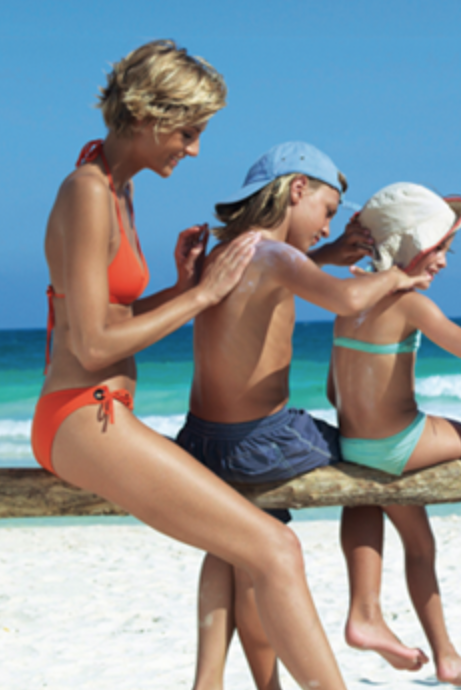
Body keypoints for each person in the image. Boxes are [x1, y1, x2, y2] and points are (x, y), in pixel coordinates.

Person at [32, 41, 349, 690]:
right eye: (189, 131)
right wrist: (202, 297)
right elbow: (89, 348)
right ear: (149, 115)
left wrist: (177, 289)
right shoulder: (87, 191)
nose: (195, 148)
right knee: (274, 547)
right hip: (80, 417)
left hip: (97, 415)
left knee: (258, 545)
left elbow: (106, 321)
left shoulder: (112, 187)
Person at [175, 143, 432, 690]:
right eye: (328, 210)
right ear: (297, 190)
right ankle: (368, 608)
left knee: (236, 547)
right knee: (371, 454)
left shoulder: (234, 252)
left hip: (203, 440)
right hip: (261, 441)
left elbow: (273, 280)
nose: (326, 225)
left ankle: (215, 680)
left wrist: (330, 251)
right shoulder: (278, 257)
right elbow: (347, 300)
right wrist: (397, 278)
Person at [328, 182, 461, 686]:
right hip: (403, 441)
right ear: (409, 246)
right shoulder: (408, 301)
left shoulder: (347, 300)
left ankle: (375, 619)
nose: (444, 263)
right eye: (439, 250)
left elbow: (332, 387)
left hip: (356, 445)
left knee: (406, 531)